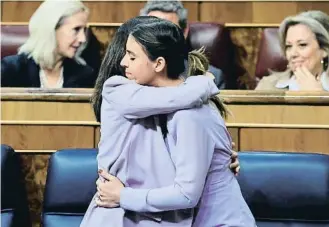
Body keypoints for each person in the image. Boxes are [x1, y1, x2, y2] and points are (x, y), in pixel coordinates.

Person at [89, 17, 255, 226]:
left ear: (158, 63)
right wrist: (202, 83)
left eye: (131, 56)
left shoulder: (189, 113)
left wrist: (217, 158)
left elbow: (186, 193)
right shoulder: (131, 96)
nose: (123, 62)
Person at [1, 0, 97, 88]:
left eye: (84, 30)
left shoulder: (86, 75)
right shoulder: (11, 70)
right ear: (51, 29)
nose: (83, 39)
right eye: (76, 29)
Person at [140, 0, 226, 89]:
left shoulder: (211, 77)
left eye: (169, 30)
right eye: (153, 29)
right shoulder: (129, 72)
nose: (160, 37)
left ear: (184, 32)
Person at [256, 10, 329, 91]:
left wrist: (318, 97)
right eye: (289, 46)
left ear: (324, 50)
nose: (293, 54)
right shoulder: (267, 86)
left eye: (302, 45)